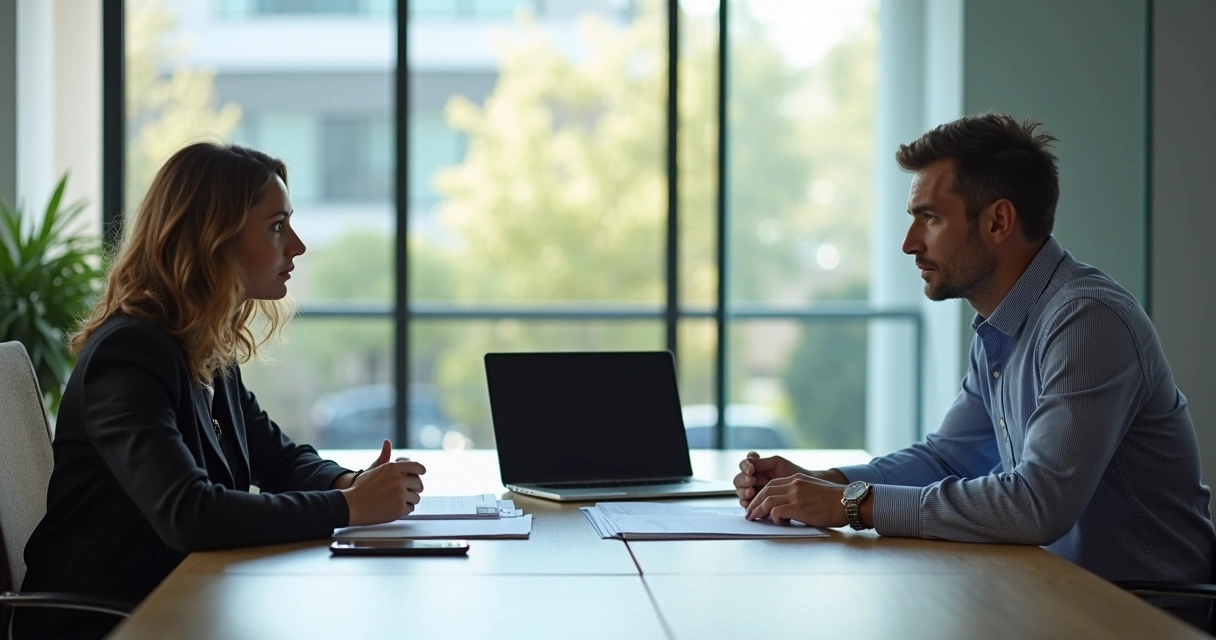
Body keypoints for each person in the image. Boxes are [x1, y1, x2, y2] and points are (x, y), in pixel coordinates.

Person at [734, 114, 1216, 627]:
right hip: (1054, 599)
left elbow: (1037, 503)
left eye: (930, 218)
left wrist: (852, 504)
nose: (909, 243)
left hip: (1144, 615)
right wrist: (821, 481)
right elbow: (949, 457)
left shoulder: (1086, 319)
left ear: (997, 222)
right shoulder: (999, 324)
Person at [13, 142, 426, 639]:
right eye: (277, 226)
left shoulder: (204, 346)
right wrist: (351, 508)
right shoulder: (128, 355)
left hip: (184, 598)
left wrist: (350, 482)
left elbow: (278, 458)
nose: (296, 245)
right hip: (111, 620)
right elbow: (190, 513)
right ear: (214, 239)